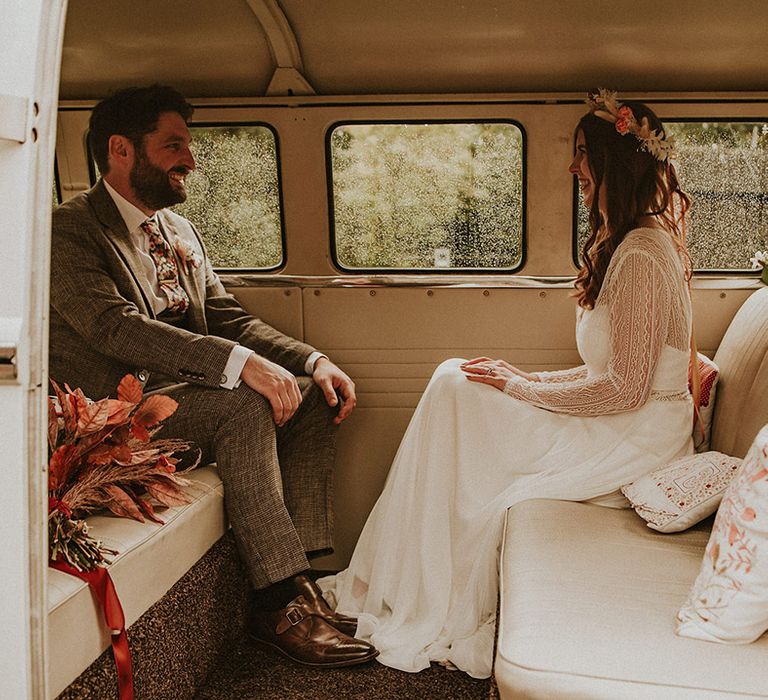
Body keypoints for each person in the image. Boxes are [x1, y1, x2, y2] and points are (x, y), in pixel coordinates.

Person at [320, 90, 694, 678]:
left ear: (614, 163)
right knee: (455, 382)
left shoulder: (644, 255)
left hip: (638, 436)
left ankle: (397, 591)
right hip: (620, 417)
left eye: (581, 155)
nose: (573, 169)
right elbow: (609, 373)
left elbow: (625, 391)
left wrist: (523, 392)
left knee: (455, 387)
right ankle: (388, 586)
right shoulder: (625, 244)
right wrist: (525, 378)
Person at [49, 84, 378, 668]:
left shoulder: (179, 231)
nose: (191, 161)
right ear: (121, 150)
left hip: (179, 397)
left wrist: (311, 361)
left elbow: (227, 317)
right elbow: (111, 327)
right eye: (174, 145)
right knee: (244, 403)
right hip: (114, 421)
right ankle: (276, 603)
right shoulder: (70, 229)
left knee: (313, 399)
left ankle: (300, 582)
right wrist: (237, 365)